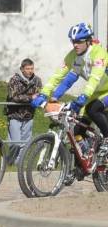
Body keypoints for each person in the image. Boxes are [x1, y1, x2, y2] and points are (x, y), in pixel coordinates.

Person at [32, 22, 108, 156]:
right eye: (73, 41)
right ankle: (85, 161)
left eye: (79, 41)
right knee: (77, 131)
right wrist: (45, 95)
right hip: (95, 93)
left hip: (103, 91)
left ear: (88, 41)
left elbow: (94, 79)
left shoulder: (98, 52)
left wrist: (83, 96)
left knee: (92, 109)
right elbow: (61, 77)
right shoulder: (73, 56)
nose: (75, 45)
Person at [5, 58, 41, 164]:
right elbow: (13, 97)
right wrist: (30, 97)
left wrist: (38, 98)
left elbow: (39, 94)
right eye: (27, 69)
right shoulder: (14, 80)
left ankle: (18, 163)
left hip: (29, 115)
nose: (30, 71)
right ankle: (9, 160)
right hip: (15, 114)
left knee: (25, 142)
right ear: (22, 69)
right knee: (15, 142)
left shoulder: (37, 80)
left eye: (32, 68)